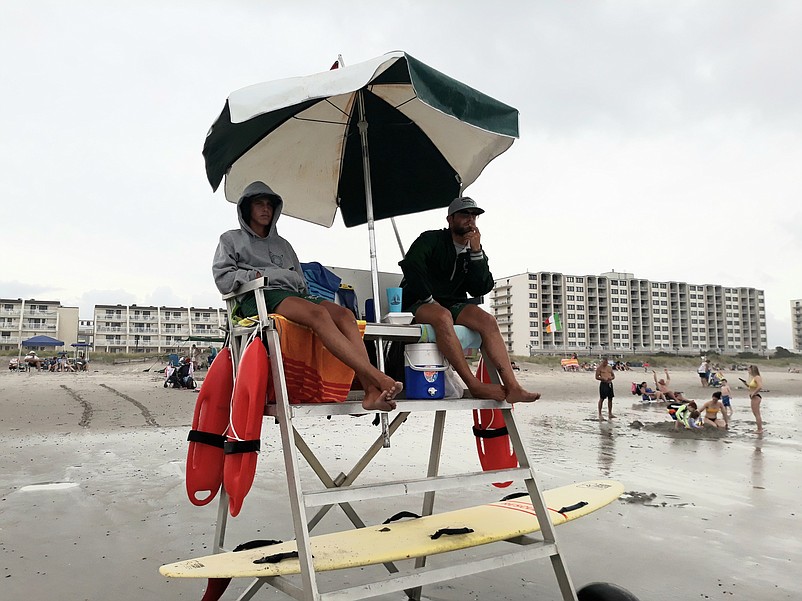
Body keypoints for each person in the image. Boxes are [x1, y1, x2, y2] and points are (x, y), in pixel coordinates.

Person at [212, 181, 402, 412]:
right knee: (319, 314)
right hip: (259, 296)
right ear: (246, 209)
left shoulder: (283, 245)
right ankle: (377, 377)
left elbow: (300, 282)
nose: (265, 209)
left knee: (345, 315)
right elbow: (223, 278)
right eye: (258, 204)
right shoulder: (230, 239)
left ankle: (371, 392)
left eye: (269, 205)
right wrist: (258, 275)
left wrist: (288, 284)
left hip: (290, 295)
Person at [398, 196, 540, 404]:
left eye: (474, 216)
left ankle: (513, 386)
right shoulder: (431, 239)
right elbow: (411, 264)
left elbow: (480, 288)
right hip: (417, 302)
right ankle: (473, 384)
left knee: (488, 320)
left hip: (451, 302)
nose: (470, 220)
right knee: (443, 316)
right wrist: (428, 298)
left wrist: (476, 253)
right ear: (450, 219)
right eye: (465, 215)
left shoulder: (473, 252)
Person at [745, 365, 764, 434]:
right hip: (753, 396)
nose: (748, 371)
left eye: (749, 370)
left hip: (755, 396)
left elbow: (760, 386)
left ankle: (760, 429)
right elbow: (753, 386)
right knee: (755, 413)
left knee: (757, 414)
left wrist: (754, 393)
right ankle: (759, 428)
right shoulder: (753, 378)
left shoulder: (757, 377)